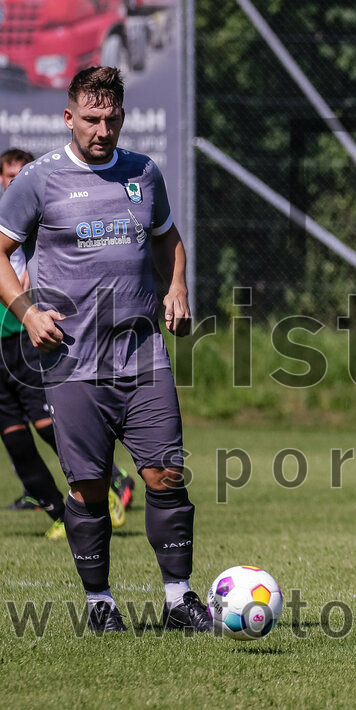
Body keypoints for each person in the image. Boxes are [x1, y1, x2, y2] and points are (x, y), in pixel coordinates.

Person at [0, 66, 209, 633]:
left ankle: (179, 599)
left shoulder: (144, 172)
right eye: (91, 119)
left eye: (111, 119)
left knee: (166, 474)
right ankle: (100, 604)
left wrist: (177, 286)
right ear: (68, 117)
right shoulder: (38, 180)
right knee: (89, 488)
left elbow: (167, 238)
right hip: (72, 361)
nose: (102, 130)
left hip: (142, 356)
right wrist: (27, 312)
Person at [0, 149, 133, 534]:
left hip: (26, 336)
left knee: (46, 425)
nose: (14, 181)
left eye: (20, 174)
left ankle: (109, 481)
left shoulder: (37, 216)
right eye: (8, 175)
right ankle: (61, 515)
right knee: (15, 440)